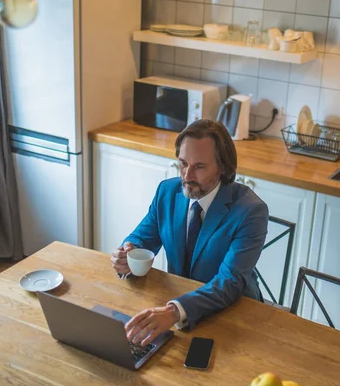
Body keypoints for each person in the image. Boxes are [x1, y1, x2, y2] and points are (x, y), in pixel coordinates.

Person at [111, 119, 269, 346]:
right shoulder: (167, 191)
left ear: (223, 167)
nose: (187, 176)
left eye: (200, 167)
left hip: (233, 315)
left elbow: (230, 282)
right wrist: (128, 253)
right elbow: (142, 238)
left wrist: (175, 311)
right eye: (183, 163)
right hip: (176, 307)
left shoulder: (251, 211)